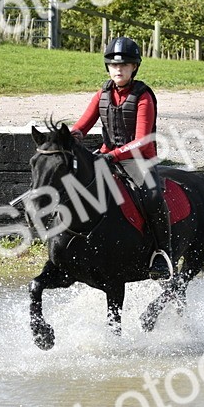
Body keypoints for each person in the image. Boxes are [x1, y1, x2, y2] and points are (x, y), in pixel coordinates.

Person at [72, 36, 173, 279]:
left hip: (139, 160)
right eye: (114, 65)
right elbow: (81, 128)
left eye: (124, 65)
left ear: (134, 67)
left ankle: (162, 253)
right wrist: (62, 138)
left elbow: (141, 140)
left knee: (152, 196)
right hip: (108, 156)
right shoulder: (102, 94)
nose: (119, 69)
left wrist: (113, 156)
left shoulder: (144, 96)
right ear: (108, 67)